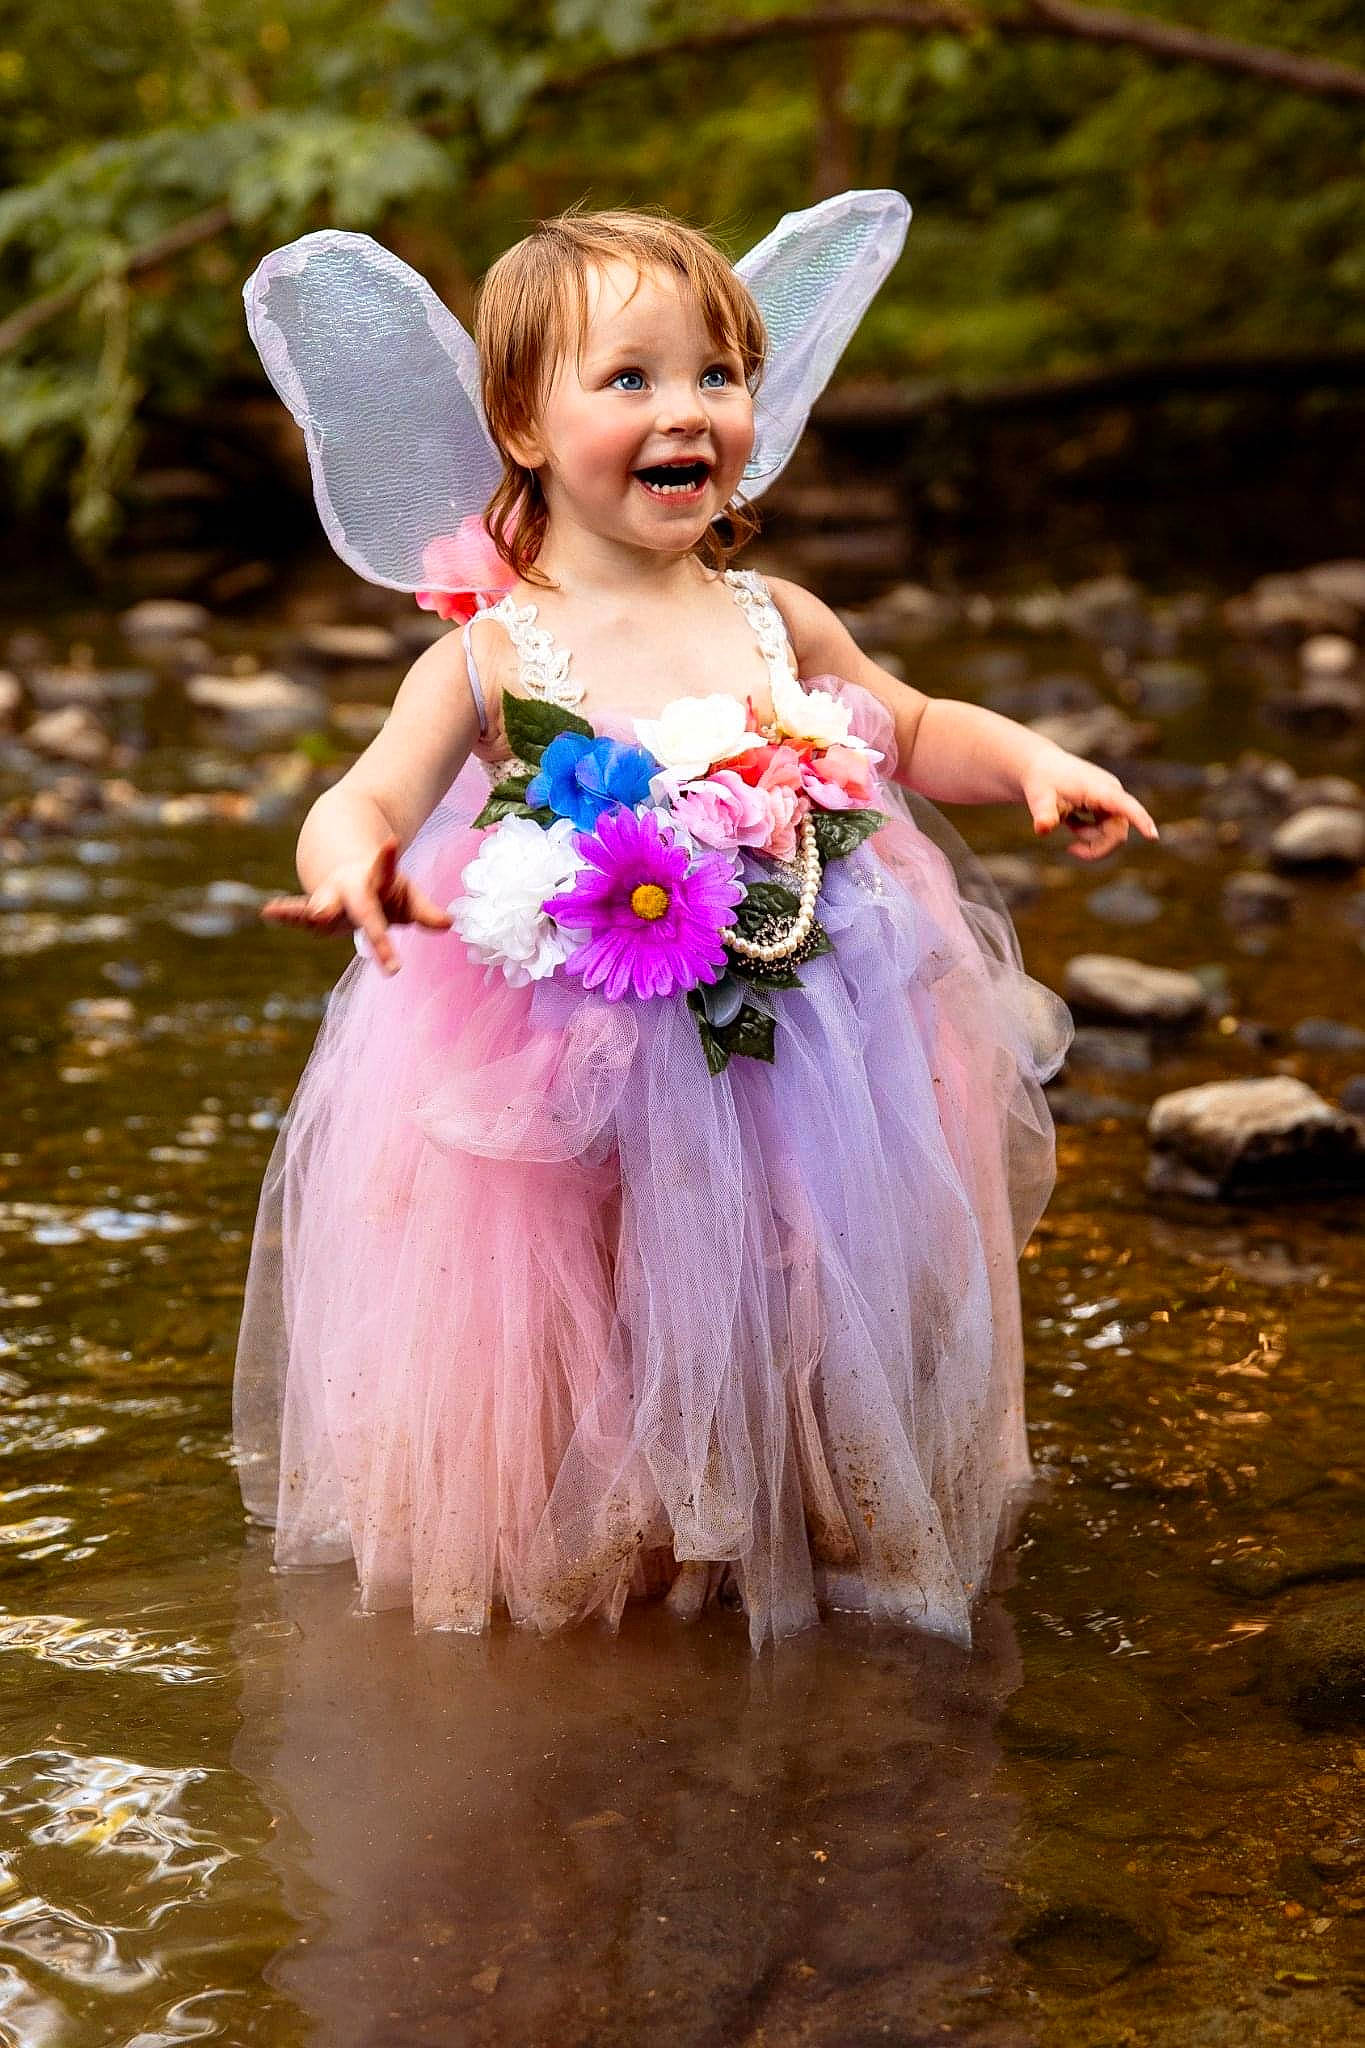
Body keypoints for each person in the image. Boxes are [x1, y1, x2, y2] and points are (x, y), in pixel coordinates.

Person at [232, 193, 1156, 1652]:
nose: (691, 411)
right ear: (524, 427)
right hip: (571, 1048)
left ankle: (807, 1517)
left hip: (805, 1037)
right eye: (632, 379)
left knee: (800, 1278)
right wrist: (351, 864)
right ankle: (633, 1564)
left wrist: (1034, 763)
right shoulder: (492, 651)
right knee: (596, 1307)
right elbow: (367, 792)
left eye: (718, 374)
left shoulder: (773, 613)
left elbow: (907, 730)